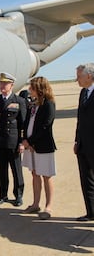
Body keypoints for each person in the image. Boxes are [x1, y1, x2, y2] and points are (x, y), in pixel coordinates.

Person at [0, 72, 26, 207]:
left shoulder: (19, 101)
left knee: (16, 169)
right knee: (1, 169)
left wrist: (22, 142)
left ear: (11, 85)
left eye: (5, 83)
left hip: (13, 141)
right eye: (1, 83)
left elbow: (23, 124)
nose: (2, 85)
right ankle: (3, 195)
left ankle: (18, 195)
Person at [22, 76, 56, 220]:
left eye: (32, 88)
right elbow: (26, 123)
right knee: (35, 174)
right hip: (31, 146)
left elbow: (45, 126)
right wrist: (24, 139)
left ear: (39, 89)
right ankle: (36, 204)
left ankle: (48, 206)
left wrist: (30, 141)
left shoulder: (49, 104)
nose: (30, 90)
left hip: (42, 146)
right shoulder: (33, 104)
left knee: (46, 176)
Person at [74, 63, 94, 221]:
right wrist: (76, 140)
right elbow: (80, 120)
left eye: (79, 76)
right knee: (87, 181)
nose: (77, 80)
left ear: (89, 76)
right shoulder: (83, 93)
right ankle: (91, 212)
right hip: (83, 145)